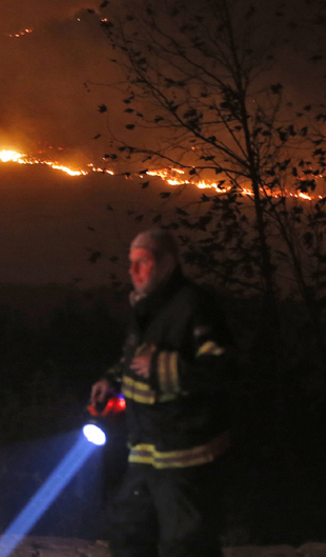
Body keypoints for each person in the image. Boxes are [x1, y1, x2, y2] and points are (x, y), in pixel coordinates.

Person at [91, 230, 235, 557]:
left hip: (186, 456)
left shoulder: (195, 305)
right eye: (131, 263)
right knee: (127, 532)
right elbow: (135, 360)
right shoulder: (150, 307)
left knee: (186, 545)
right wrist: (111, 380)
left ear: (168, 263)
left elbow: (223, 367)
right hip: (146, 449)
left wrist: (163, 367)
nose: (134, 271)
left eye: (143, 262)